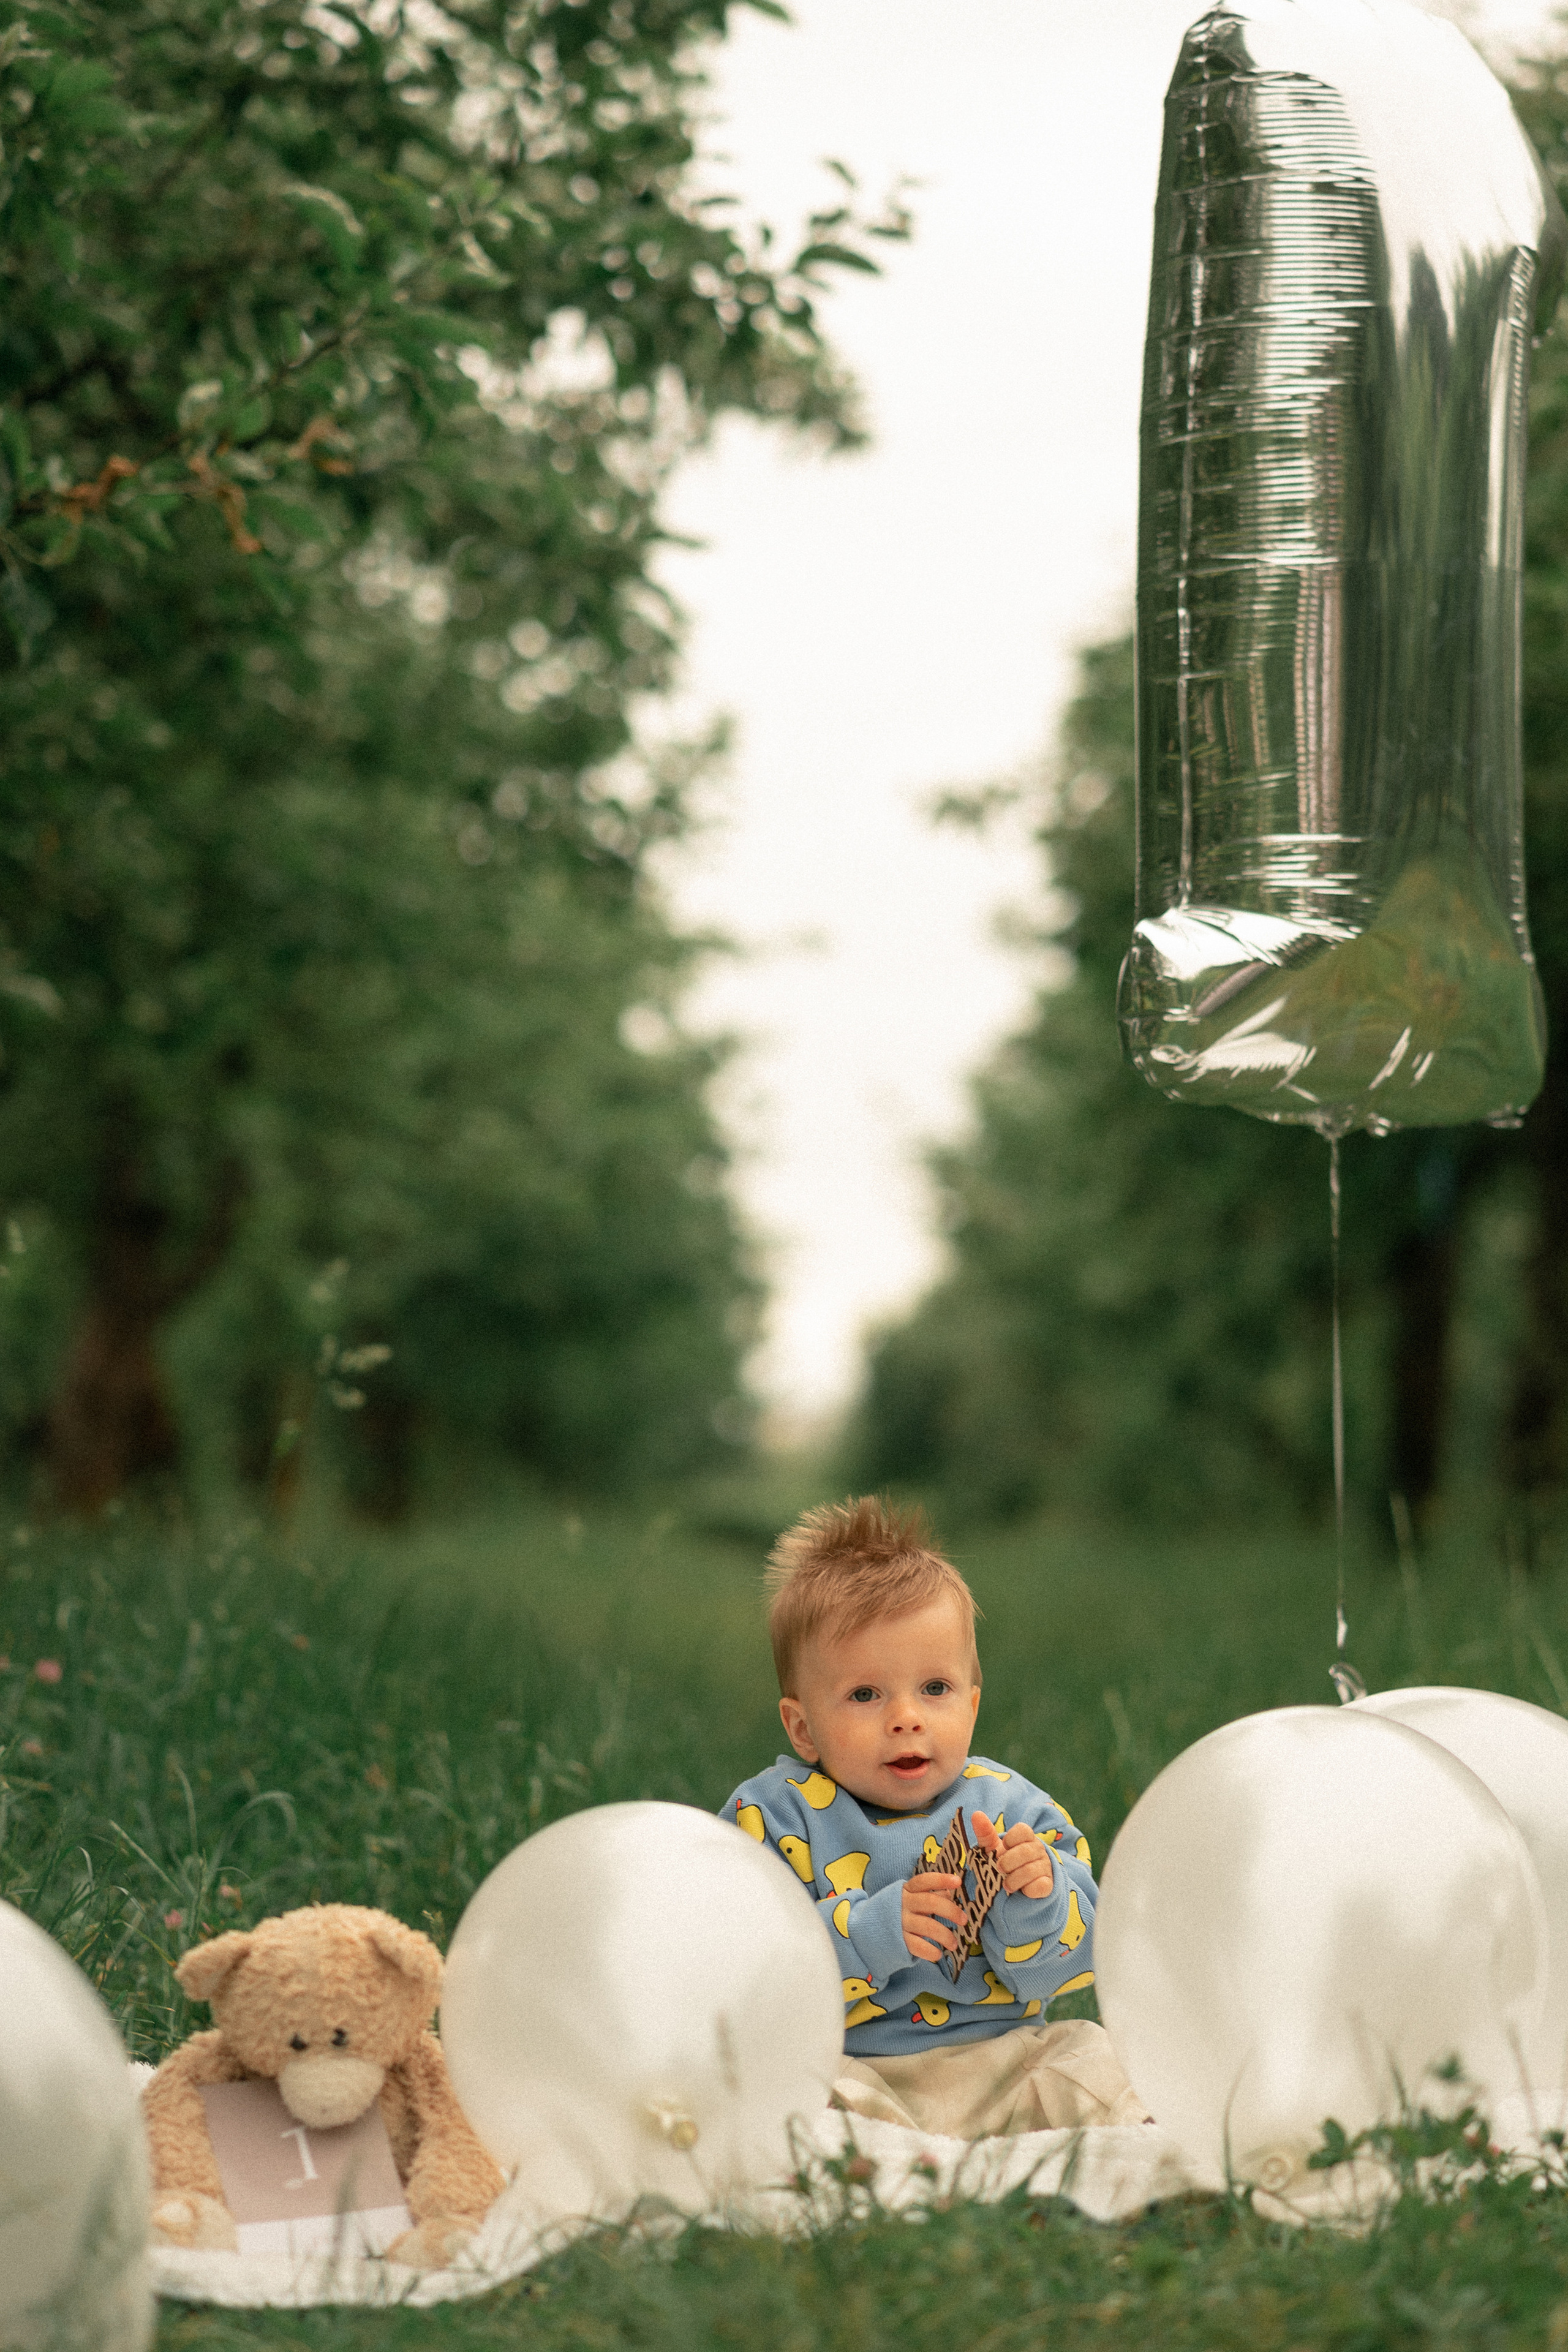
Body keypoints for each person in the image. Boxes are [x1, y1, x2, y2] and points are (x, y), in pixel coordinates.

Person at [720, 1495, 1147, 2140]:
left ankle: (1142, 2144)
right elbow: (748, 1971)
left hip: (1005, 2061)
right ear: (803, 1727)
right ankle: (881, 2160)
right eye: (865, 1694)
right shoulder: (773, 1818)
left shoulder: (1012, 1808)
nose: (905, 1717)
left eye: (934, 1689)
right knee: (779, 2103)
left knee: (1093, 2058)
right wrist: (872, 1931)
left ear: (971, 1706)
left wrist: (1035, 1902)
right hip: (856, 2071)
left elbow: (1073, 1964)